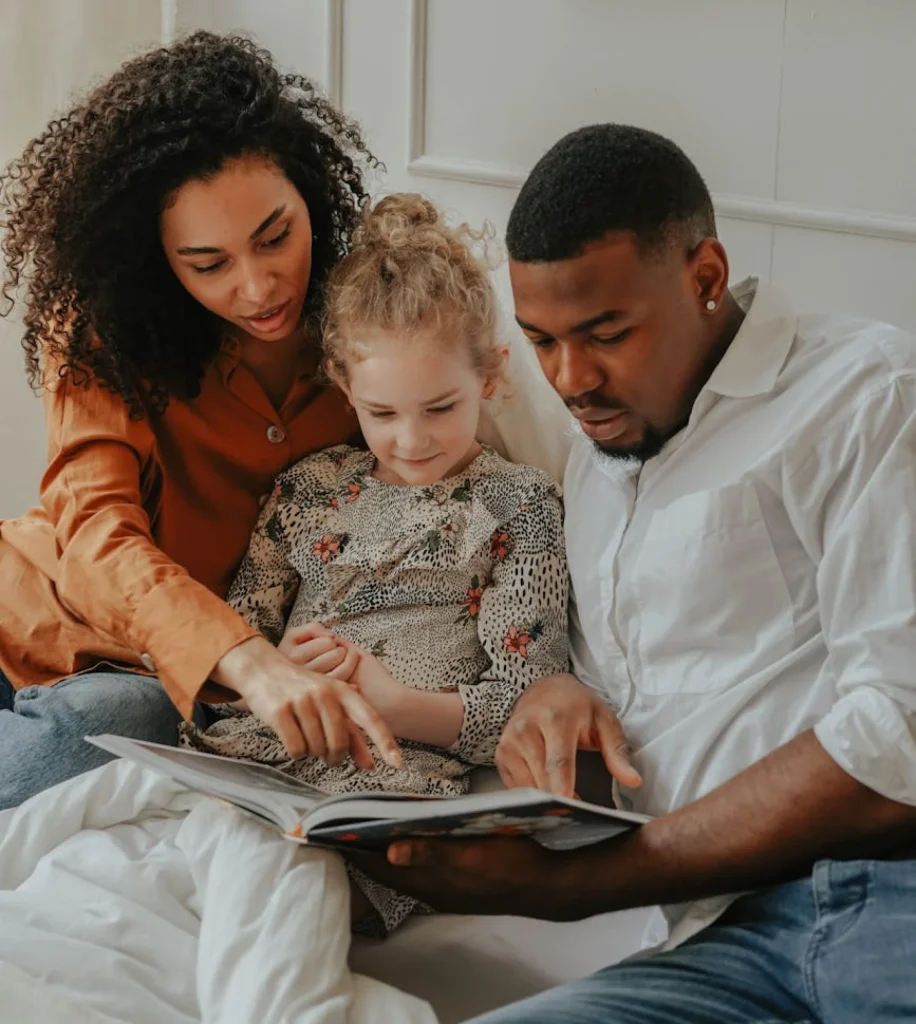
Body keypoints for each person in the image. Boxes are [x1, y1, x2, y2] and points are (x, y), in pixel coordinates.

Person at [349, 125, 916, 1022]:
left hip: (890, 903)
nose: (572, 379)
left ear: (705, 278)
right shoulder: (597, 461)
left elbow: (901, 734)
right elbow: (627, 700)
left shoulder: (864, 393)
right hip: (718, 942)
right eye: (540, 341)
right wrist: (555, 698)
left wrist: (577, 886)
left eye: (605, 333)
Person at [0, 31, 403, 811]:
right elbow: (95, 532)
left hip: (136, 685)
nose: (258, 288)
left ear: (309, 195)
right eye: (208, 264)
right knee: (129, 715)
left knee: (136, 715)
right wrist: (246, 659)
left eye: (276, 236)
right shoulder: (103, 329)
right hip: (33, 616)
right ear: (158, 260)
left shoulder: (369, 324)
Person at [182, 192, 569, 936]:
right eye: (383, 414)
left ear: (490, 375)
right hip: (255, 764)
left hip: (389, 795)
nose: (413, 440)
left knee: (284, 907)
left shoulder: (517, 505)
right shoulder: (308, 488)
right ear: (342, 382)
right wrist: (276, 673)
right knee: (123, 866)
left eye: (440, 407)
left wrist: (394, 702)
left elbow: (525, 710)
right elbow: (227, 654)